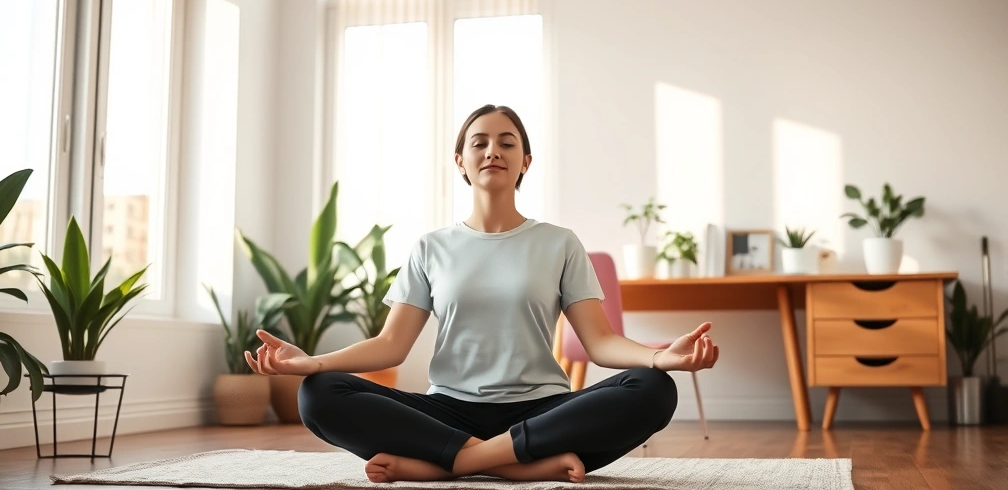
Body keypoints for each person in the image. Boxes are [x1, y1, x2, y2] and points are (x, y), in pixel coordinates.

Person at [245, 104, 720, 484]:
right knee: (319, 395)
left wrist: (661, 359)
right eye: (480, 142)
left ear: (524, 162)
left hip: (544, 409)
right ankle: (516, 465)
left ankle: (452, 464)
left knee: (654, 389)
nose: (493, 150)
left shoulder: (559, 243)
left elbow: (600, 343)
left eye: (506, 142)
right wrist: (314, 363)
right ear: (461, 162)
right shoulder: (431, 247)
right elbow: (391, 345)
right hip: (447, 411)